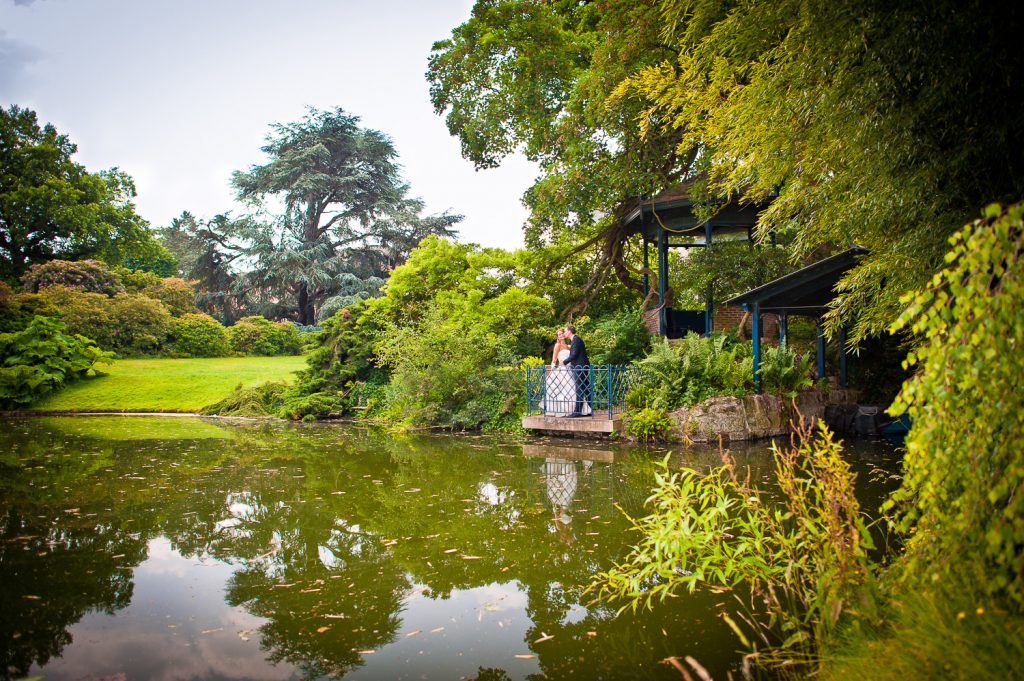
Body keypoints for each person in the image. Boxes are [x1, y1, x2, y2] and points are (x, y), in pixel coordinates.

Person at [560, 324, 591, 417]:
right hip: (581, 367)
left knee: (580, 389)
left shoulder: (576, 340)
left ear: (569, 331)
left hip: (580, 367)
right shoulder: (575, 340)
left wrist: (564, 362)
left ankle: (577, 412)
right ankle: (590, 409)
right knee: (586, 389)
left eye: (565, 331)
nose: (564, 333)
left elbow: (574, 355)